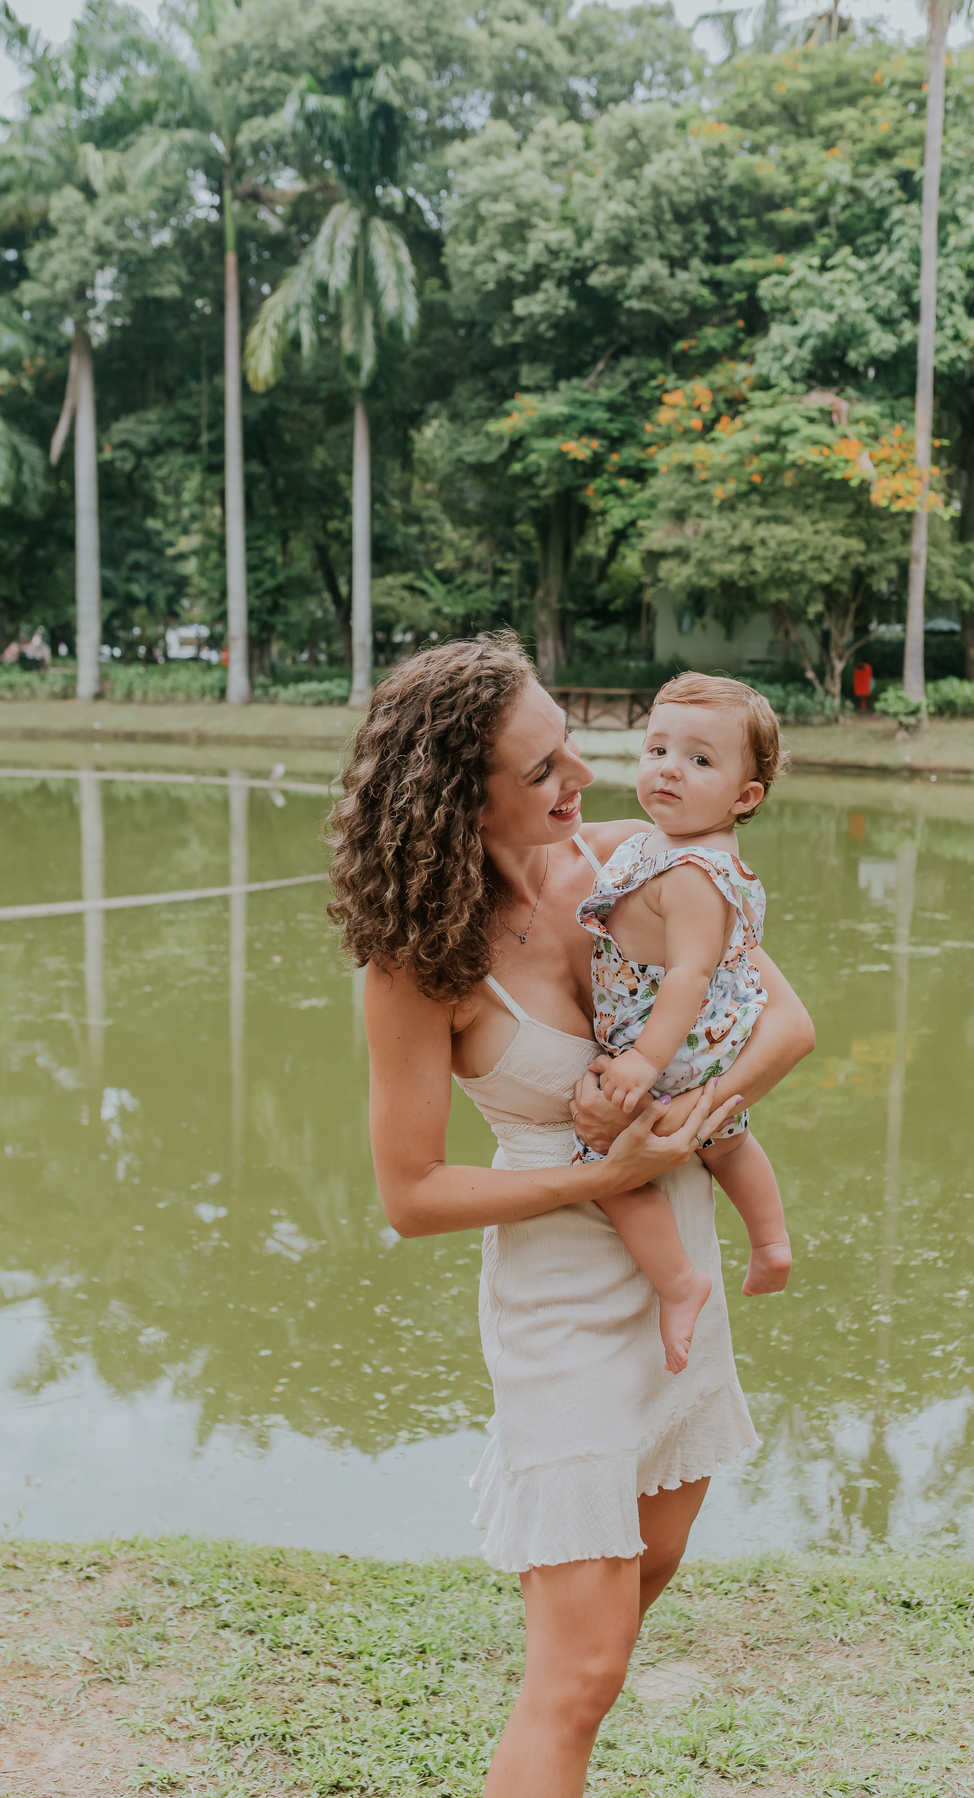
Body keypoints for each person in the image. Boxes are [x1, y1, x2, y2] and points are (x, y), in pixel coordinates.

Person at [329, 633, 814, 1798]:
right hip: (563, 1300)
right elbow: (414, 1192)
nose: (581, 779)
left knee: (631, 1601)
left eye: (571, 749)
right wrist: (604, 1175)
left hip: (675, 1266)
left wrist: (694, 1113)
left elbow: (784, 1025)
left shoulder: (623, 863)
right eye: (544, 767)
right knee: (581, 1675)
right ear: (462, 797)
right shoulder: (417, 961)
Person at [574, 673, 792, 1375]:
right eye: (657, 748)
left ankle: (680, 1281)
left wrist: (641, 1061)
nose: (669, 768)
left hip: (669, 1048)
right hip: (696, 1046)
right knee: (729, 1144)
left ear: (744, 796)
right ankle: (770, 1242)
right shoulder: (654, 844)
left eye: (700, 761)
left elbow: (691, 976)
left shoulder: (698, 873)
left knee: (608, 1165)